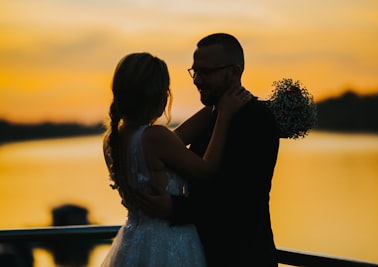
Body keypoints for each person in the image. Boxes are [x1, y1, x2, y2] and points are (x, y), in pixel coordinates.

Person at [134, 33, 282, 266]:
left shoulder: (257, 120)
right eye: (195, 71)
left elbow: (238, 201)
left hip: (241, 257)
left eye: (206, 72)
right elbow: (171, 146)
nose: (197, 80)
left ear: (234, 72)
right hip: (199, 254)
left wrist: (173, 208)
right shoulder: (213, 116)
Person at [100, 52, 250, 267]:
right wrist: (224, 116)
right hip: (168, 243)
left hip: (134, 243)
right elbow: (206, 170)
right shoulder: (156, 137)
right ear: (159, 95)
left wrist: (216, 105)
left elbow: (176, 139)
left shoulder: (113, 140)